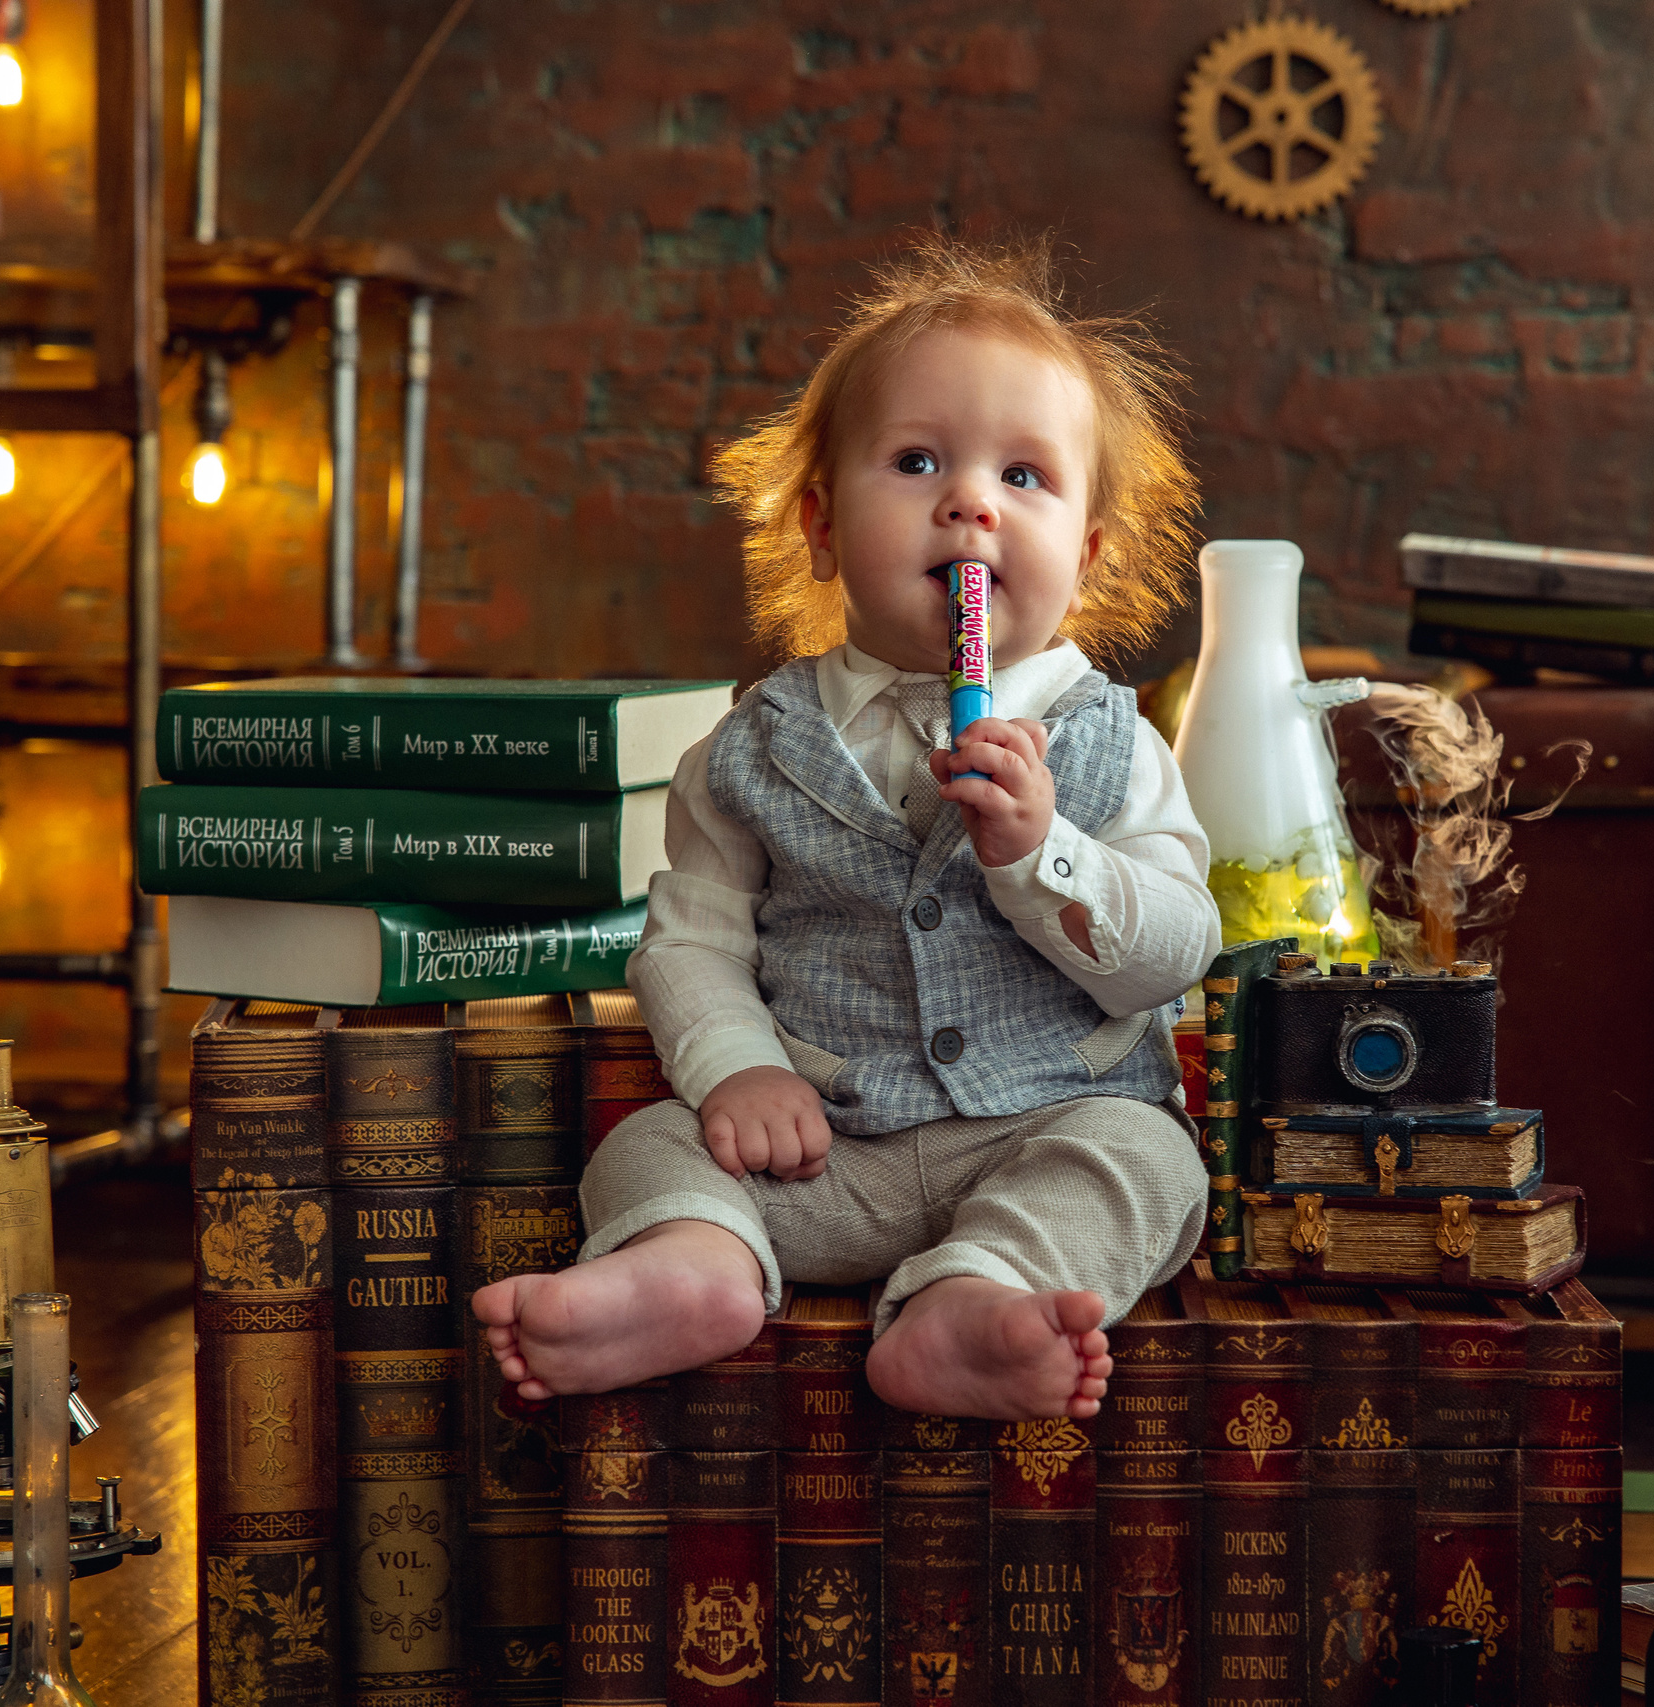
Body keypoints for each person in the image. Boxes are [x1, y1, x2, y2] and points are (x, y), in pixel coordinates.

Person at [473, 237, 1219, 1421]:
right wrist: (740, 1069)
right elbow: (690, 942)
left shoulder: (1116, 745)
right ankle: (694, 1273)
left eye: (1024, 477)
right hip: (825, 1151)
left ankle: (974, 1302)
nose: (970, 501)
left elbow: (1177, 948)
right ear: (820, 529)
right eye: (917, 460)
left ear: (1080, 560)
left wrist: (1045, 855)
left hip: (1044, 1127)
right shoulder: (747, 750)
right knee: (648, 1147)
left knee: (1150, 1167)